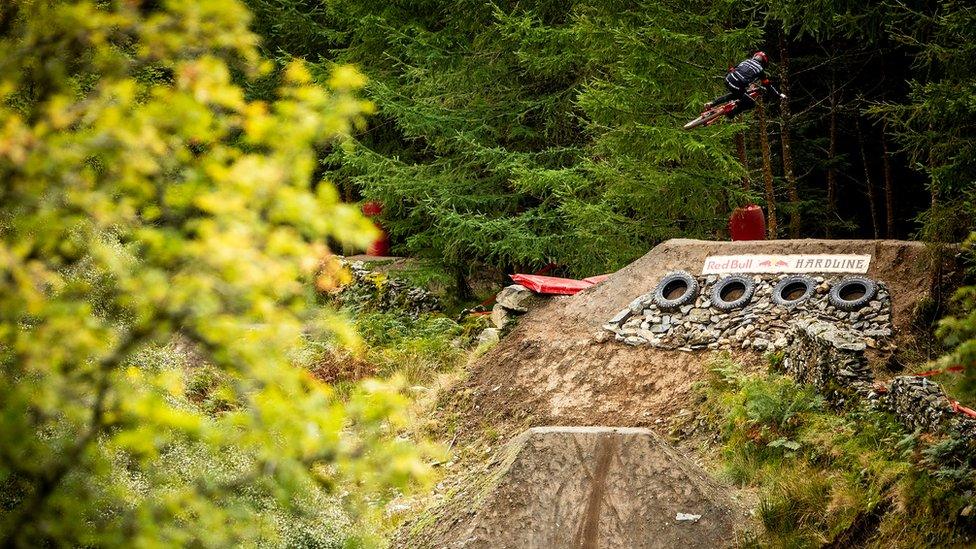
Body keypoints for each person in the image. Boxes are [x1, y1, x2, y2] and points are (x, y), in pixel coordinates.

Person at [704, 51, 785, 118]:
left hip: (728, 79)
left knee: (736, 94)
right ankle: (731, 113)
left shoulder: (746, 61)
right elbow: (768, 85)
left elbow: (732, 69)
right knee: (751, 104)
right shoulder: (760, 70)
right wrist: (779, 94)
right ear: (764, 62)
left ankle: (712, 103)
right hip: (737, 84)